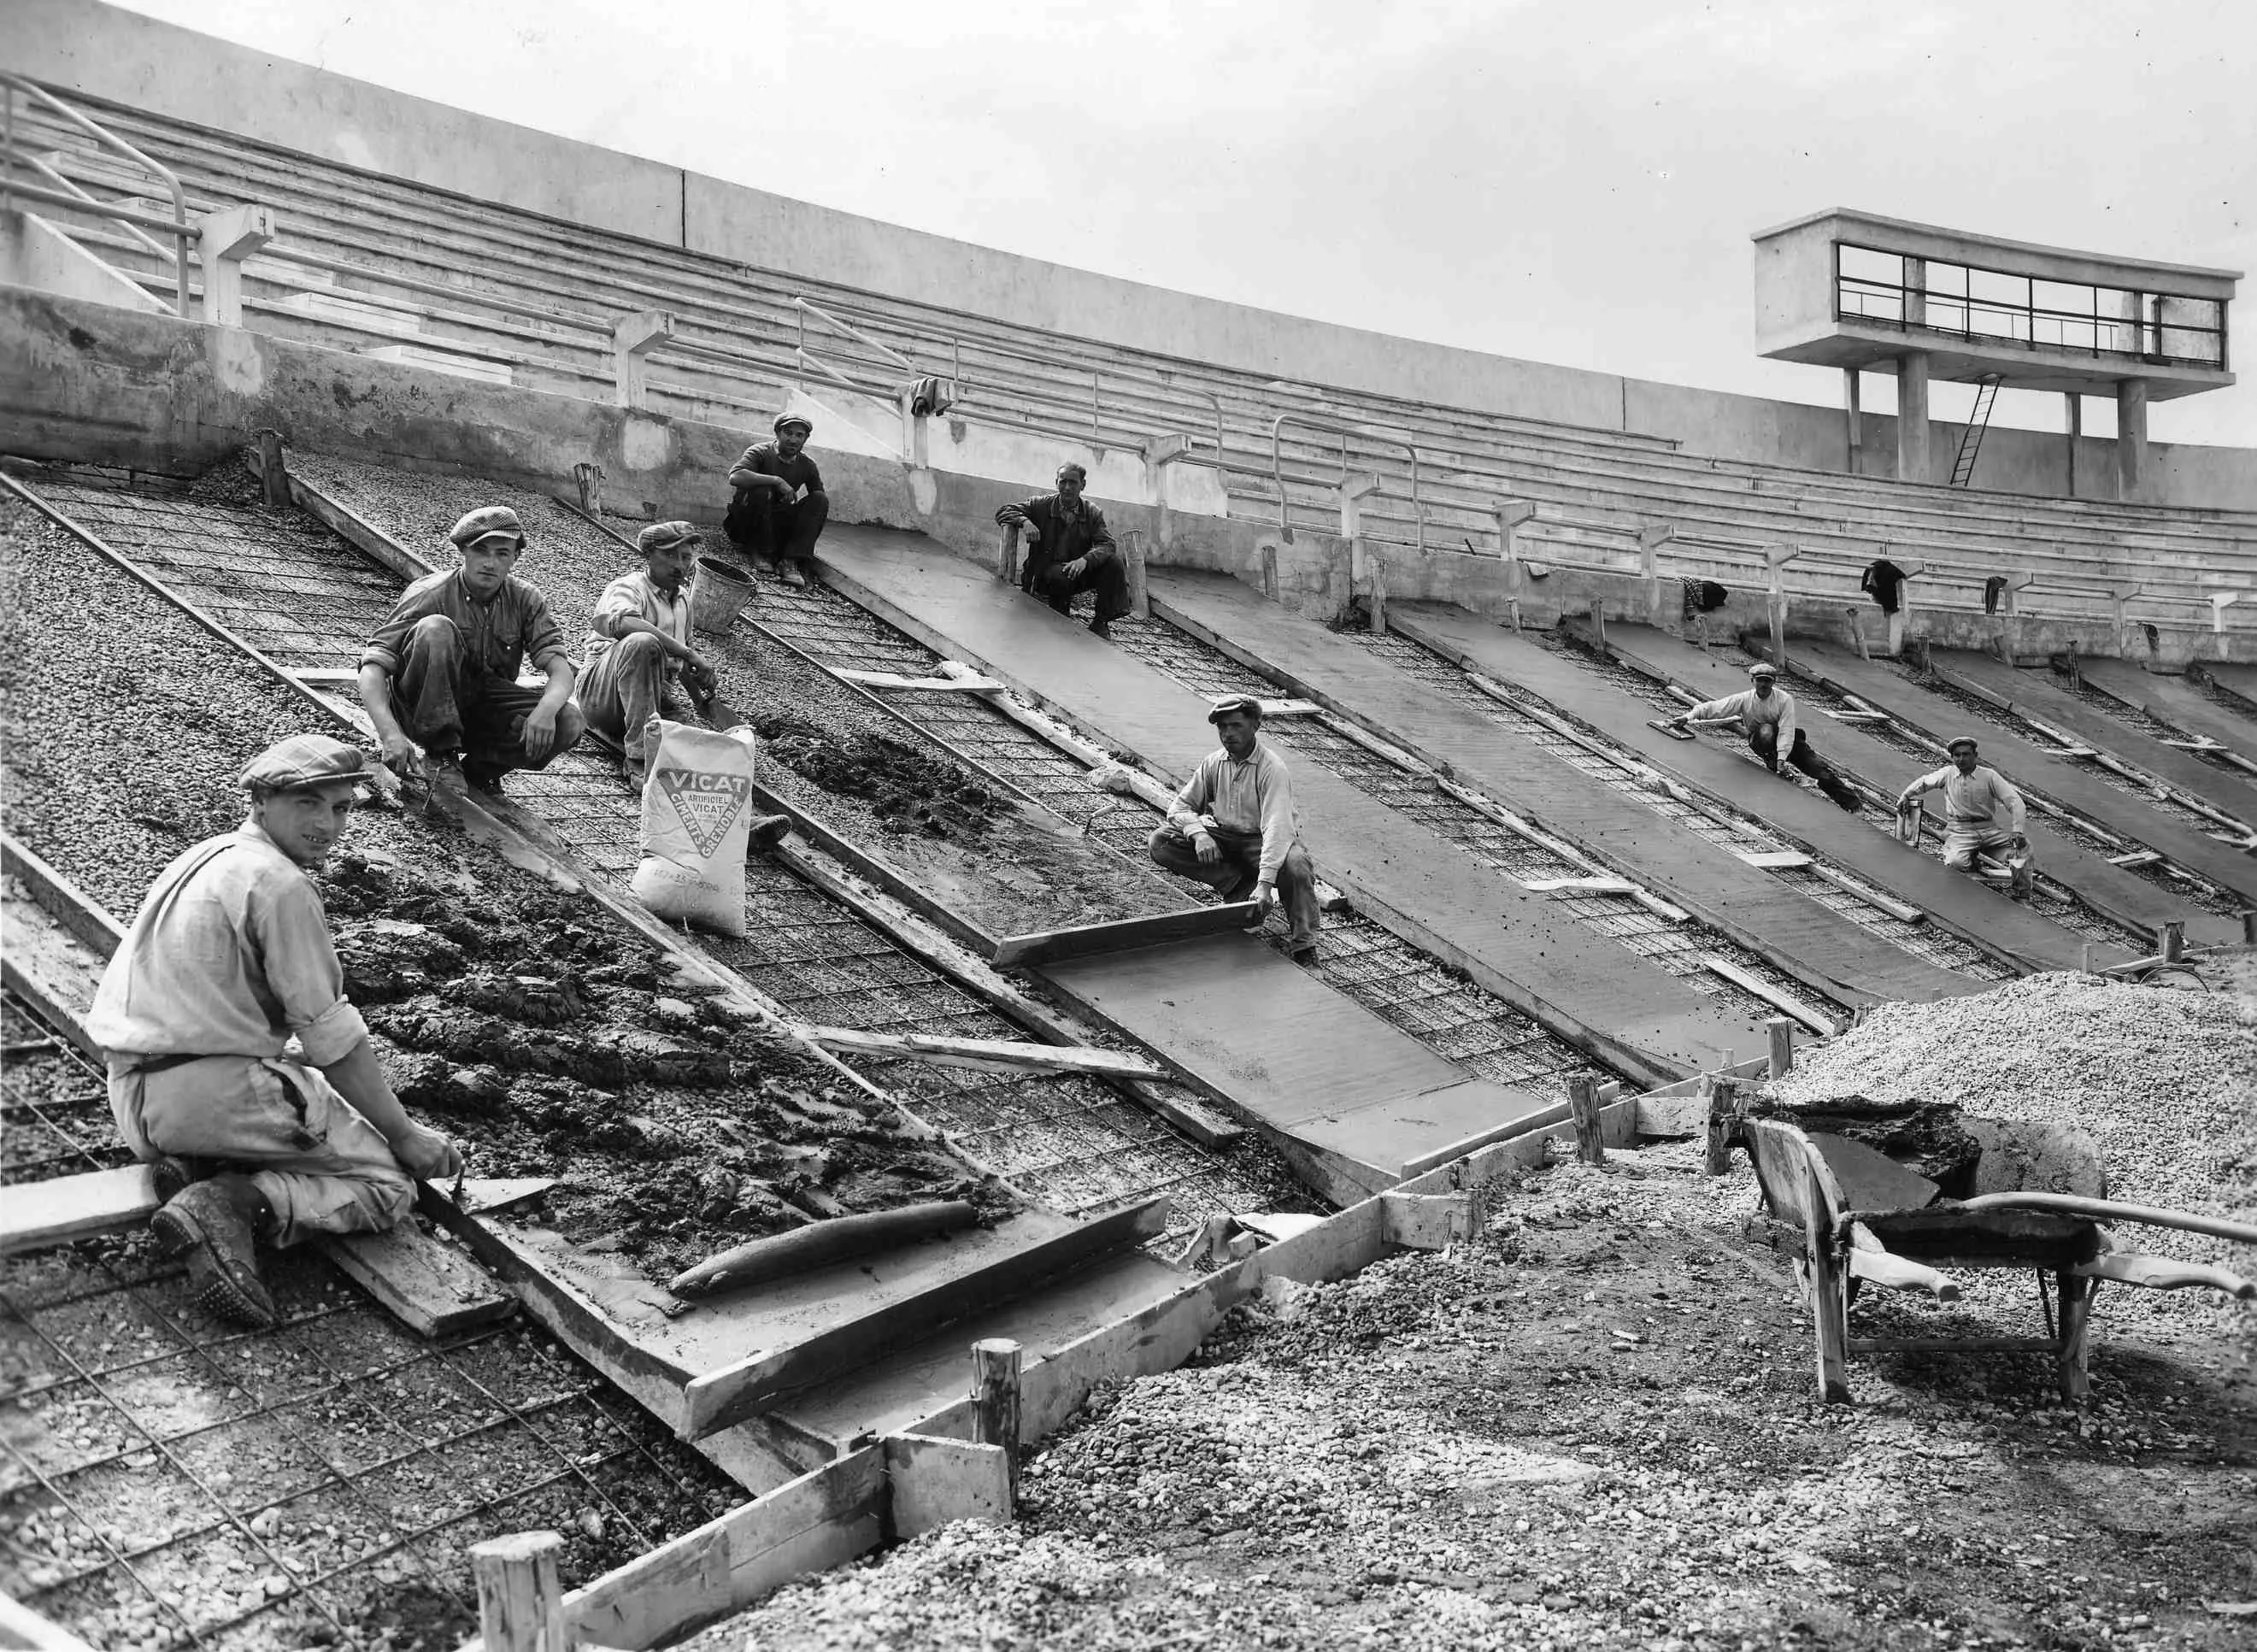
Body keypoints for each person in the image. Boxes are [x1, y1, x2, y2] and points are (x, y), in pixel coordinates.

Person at [85, 735, 465, 1330]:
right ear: (261, 800)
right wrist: (405, 1134)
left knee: (296, 1083)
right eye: (308, 803)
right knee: (385, 1180)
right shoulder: (281, 884)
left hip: (134, 1093)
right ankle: (227, 1202)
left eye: (340, 808)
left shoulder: (208, 854)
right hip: (204, 1099)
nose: (327, 824)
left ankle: (199, 1167)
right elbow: (330, 1037)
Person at [357, 506, 585, 797]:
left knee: (569, 721)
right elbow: (372, 669)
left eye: (502, 553)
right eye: (481, 551)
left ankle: (481, 772)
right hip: (419, 710)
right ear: (464, 550)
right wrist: (390, 735)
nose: (490, 563)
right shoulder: (430, 593)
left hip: (479, 711)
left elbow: (561, 670)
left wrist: (546, 710)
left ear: (515, 558)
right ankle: (441, 755)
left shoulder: (525, 599)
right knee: (436, 629)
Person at [1149, 694, 1321, 963]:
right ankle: (1240, 887)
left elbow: (1277, 828)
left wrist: (1265, 884)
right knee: (1161, 841)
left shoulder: (1272, 769)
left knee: (1296, 865)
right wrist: (1199, 833)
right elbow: (1179, 808)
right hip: (1227, 837)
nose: (1228, 733)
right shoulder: (1214, 763)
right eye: (1222, 727)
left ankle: (1304, 945)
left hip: (1262, 841)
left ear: (1255, 725)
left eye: (1236, 725)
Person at [580, 520, 722, 785]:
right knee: (643, 642)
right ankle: (639, 763)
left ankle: (743, 822)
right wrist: (689, 653)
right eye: (669, 555)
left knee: (699, 753)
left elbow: (681, 656)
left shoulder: (683, 601)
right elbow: (622, 623)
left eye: (685, 557)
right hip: (602, 698)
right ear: (647, 555)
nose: (679, 565)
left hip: (649, 702)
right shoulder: (628, 587)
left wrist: (699, 697)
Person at [1670, 661, 1861, 813]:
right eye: (1759, 680)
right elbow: (1714, 708)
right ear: (1753, 680)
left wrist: (1782, 759)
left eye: (1767, 681)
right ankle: (1774, 764)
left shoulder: (1784, 700)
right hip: (1762, 742)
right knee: (1766, 730)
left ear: (1773, 683)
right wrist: (1688, 717)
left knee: (1821, 771)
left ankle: (1853, 805)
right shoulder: (1745, 699)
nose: (1763, 684)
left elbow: (1787, 730)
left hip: (1790, 743)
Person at [996, 462, 1131, 639]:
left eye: (1073, 483)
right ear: (1056, 482)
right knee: (1059, 576)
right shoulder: (1040, 505)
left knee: (1113, 564)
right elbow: (1004, 510)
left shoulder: (1092, 512)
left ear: (1083, 485)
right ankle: (1059, 617)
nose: (1067, 488)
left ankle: (1101, 622)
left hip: (1076, 571)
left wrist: (1085, 560)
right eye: (1063, 482)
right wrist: (1025, 521)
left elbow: (1107, 544)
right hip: (1044, 573)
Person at [1896, 736, 2037, 898]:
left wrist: (2017, 830)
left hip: (1989, 830)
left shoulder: (1989, 776)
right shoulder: (1947, 774)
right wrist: (1905, 796)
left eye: (1966, 754)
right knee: (1955, 863)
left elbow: (2015, 801)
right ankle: (1971, 861)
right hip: (1960, 831)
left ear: (1975, 755)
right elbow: (1924, 782)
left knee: (2023, 848)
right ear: (1952, 757)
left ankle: (2021, 892)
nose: (1961, 759)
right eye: (1957, 755)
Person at [726, 413, 829, 588]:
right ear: (777, 433)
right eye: (788, 433)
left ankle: (789, 561)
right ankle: (759, 550)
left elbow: (818, 501)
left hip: (777, 526)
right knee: (762, 489)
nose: (793, 439)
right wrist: (776, 481)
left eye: (799, 435)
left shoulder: (807, 464)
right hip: (746, 523)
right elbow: (735, 477)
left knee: (820, 499)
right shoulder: (760, 452)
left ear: (806, 439)